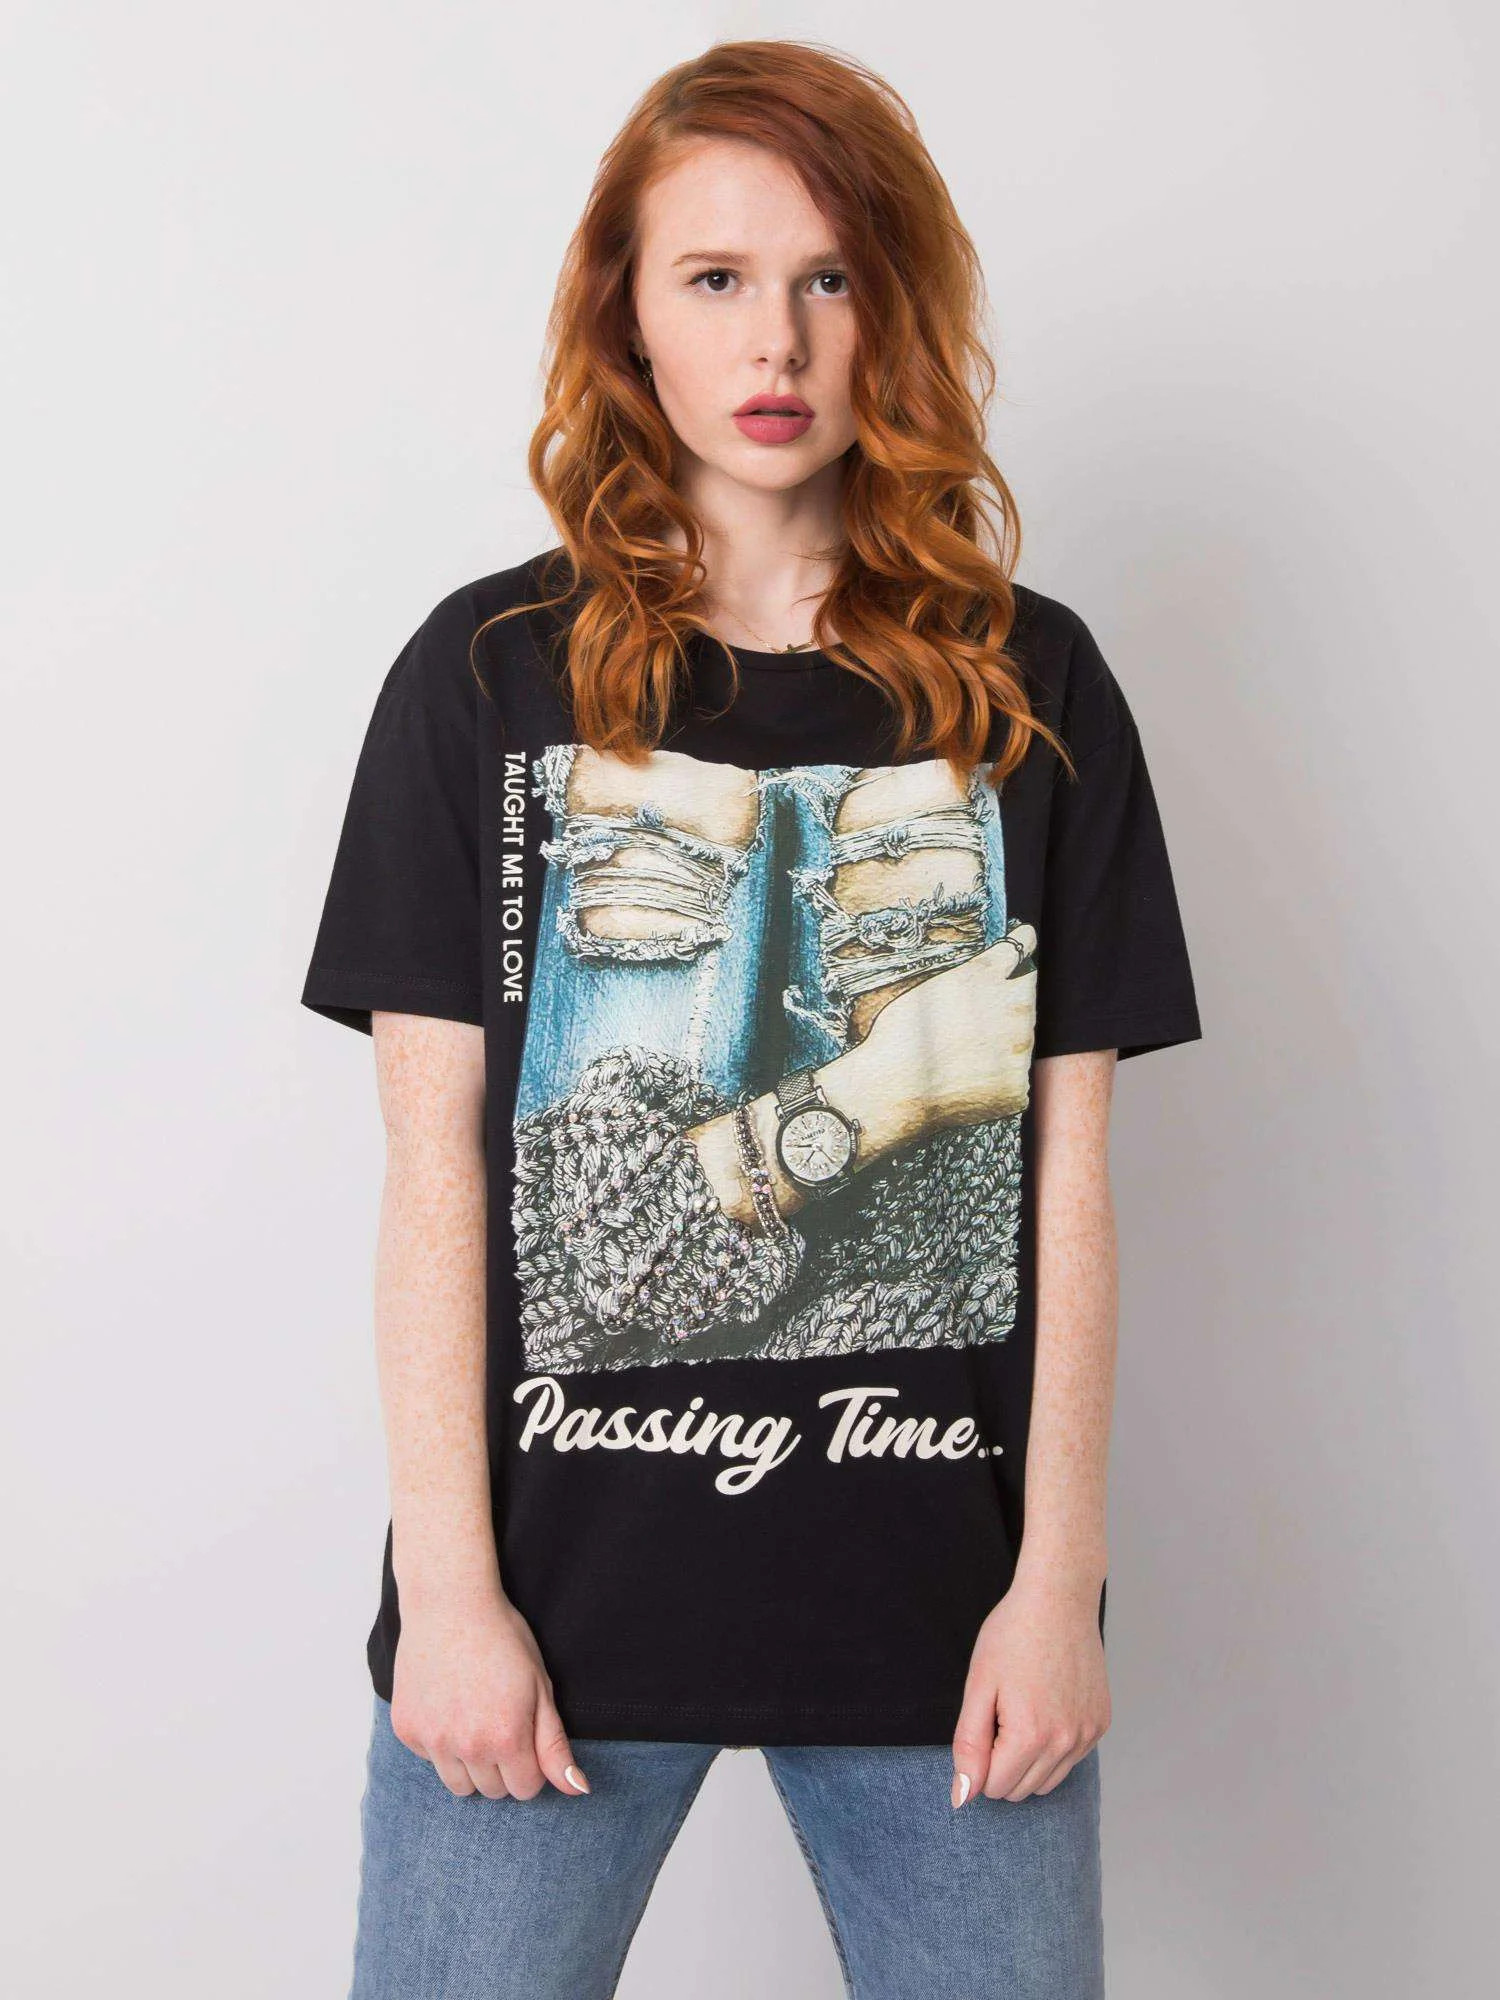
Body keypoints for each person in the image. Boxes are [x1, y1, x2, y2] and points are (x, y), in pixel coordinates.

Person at [300, 36, 1203, 2000]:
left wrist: (1058, 1589)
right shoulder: (486, 677)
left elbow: (1069, 1175)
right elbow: (440, 1168)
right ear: (628, 312)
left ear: (898, 308)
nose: (775, 337)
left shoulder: (1032, 689)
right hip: (547, 1623)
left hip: (946, 1635)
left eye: (828, 276)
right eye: (713, 276)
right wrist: (449, 1593)